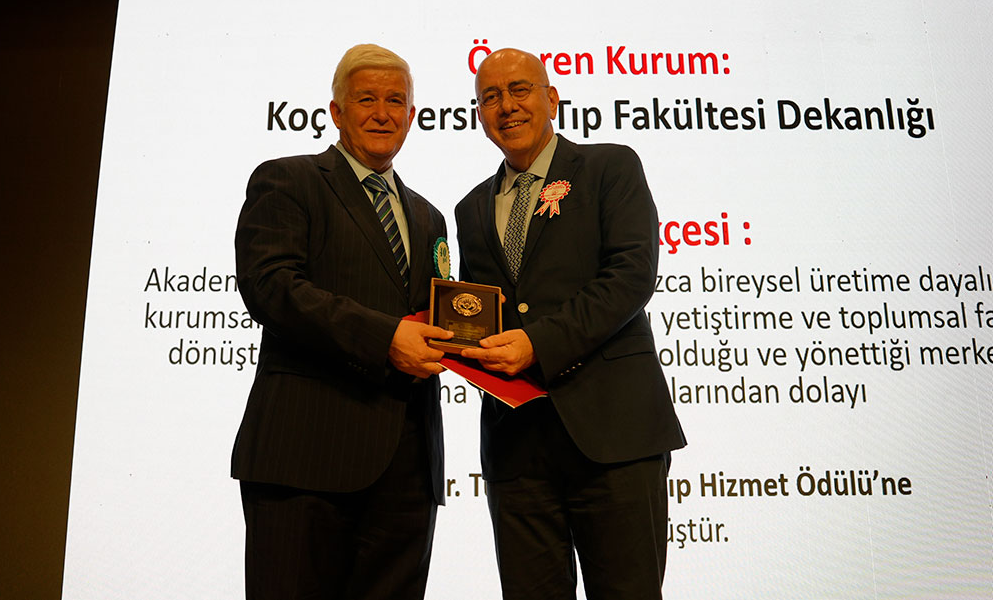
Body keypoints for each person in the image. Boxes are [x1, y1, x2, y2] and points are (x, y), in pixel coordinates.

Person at [455, 48, 686, 600]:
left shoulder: (610, 167)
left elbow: (631, 275)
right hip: (516, 450)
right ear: (479, 115)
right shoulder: (469, 208)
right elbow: (479, 312)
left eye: (519, 89)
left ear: (552, 99)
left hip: (613, 437)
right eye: (490, 97)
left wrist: (537, 343)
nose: (506, 106)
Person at [232, 44, 453, 600]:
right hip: (307, 460)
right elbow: (271, 287)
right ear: (335, 111)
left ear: (412, 115)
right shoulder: (288, 180)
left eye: (395, 101)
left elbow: (436, 318)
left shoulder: (429, 216)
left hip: (408, 471)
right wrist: (385, 338)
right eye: (366, 100)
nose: (382, 113)